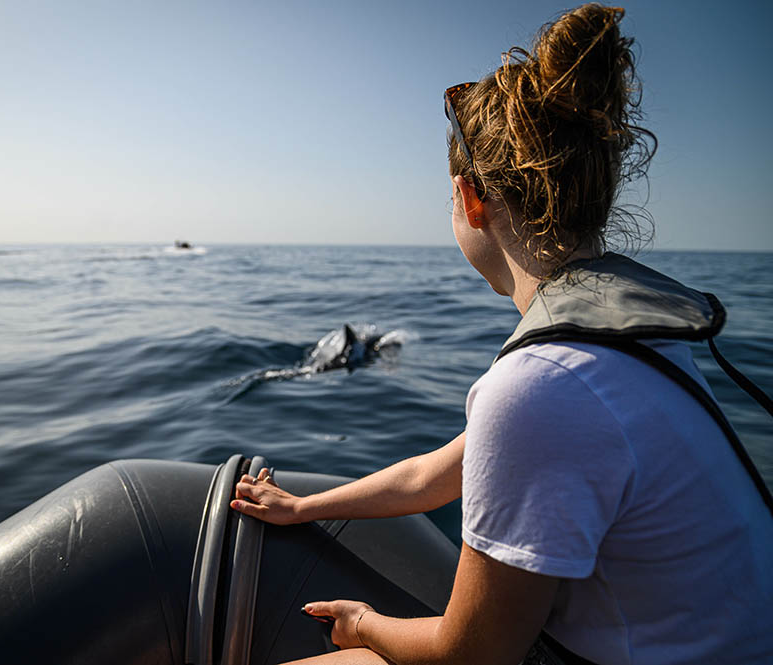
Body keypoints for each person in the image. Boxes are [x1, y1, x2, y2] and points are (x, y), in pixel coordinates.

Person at [230, 4, 773, 664]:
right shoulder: (635, 344)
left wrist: (365, 623)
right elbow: (432, 473)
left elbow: (472, 654)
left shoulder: (544, 387)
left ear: (470, 200)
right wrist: (304, 506)